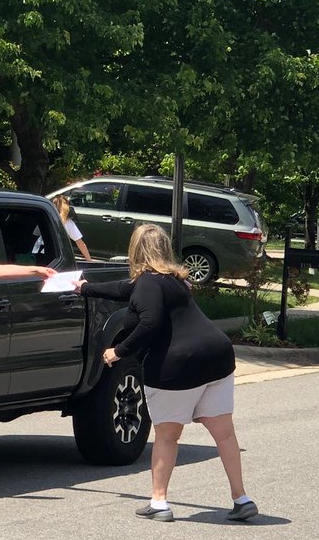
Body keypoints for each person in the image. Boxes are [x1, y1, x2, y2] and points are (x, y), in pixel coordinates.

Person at [75, 222, 257, 524]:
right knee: (225, 434)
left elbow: (150, 323)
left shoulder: (147, 284)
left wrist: (118, 351)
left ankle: (159, 502)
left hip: (177, 366)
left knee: (167, 437)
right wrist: (84, 288)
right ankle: (242, 499)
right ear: (164, 249)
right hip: (217, 358)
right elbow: (124, 290)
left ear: (135, 250)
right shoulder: (174, 281)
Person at [50, 195, 91, 260]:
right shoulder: (67, 223)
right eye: (66, 204)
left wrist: (89, 260)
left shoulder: (67, 222)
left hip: (52, 255)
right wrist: (89, 260)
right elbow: (80, 243)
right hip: (51, 254)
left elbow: (80, 243)